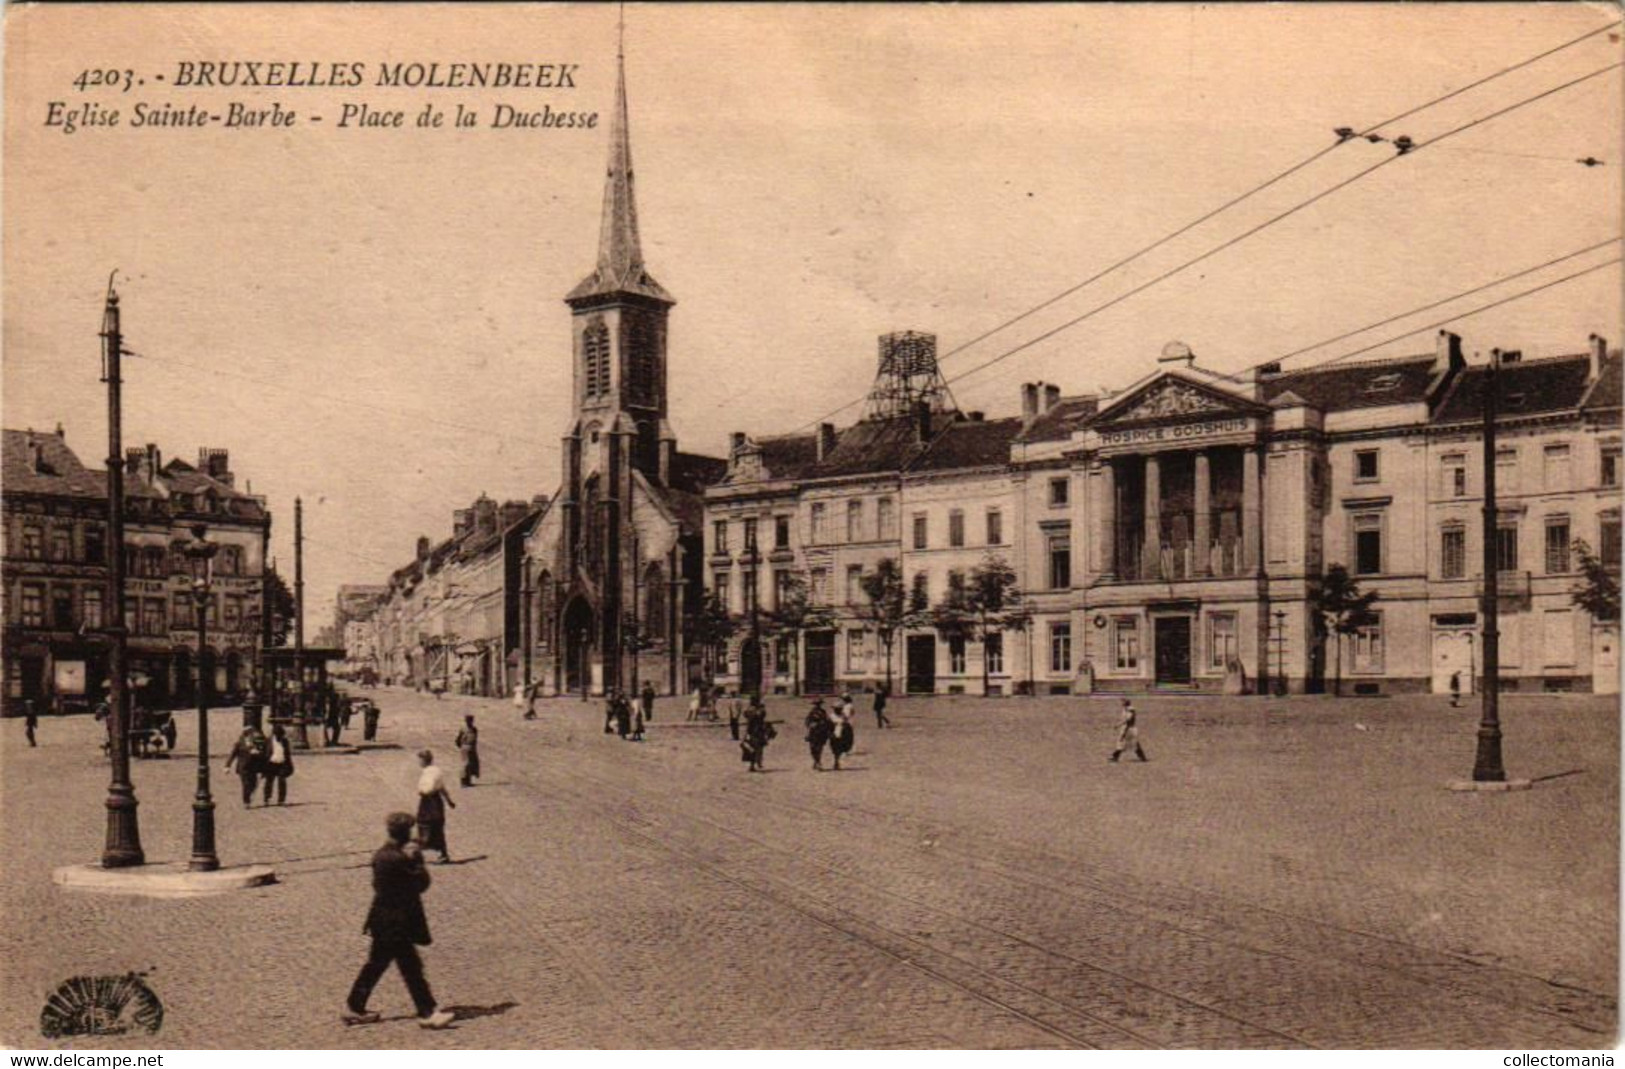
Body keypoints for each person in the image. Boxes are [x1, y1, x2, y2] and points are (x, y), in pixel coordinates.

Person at [343, 811, 456, 1030]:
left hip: (382, 920)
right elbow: (420, 884)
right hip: (396, 922)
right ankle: (427, 1012)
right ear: (405, 832)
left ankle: (354, 1007)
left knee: (377, 965)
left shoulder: (383, 854)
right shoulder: (397, 858)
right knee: (411, 968)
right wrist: (417, 861)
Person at [415, 750, 456, 864]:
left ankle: (423, 853)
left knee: (428, 825)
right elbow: (442, 788)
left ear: (424, 760)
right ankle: (442, 853)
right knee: (434, 827)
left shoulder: (430, 773)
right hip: (434, 801)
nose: (419, 762)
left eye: (420, 760)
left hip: (429, 802)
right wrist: (449, 801)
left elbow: (430, 788)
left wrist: (422, 791)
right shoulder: (435, 771)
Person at [225, 723, 269, 808]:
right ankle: (246, 801)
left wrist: (258, 753)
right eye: (249, 732)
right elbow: (233, 754)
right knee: (246, 784)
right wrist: (227, 766)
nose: (251, 734)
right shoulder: (239, 743)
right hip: (243, 767)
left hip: (253, 767)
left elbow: (263, 753)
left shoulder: (256, 742)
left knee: (253, 783)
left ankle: (249, 794)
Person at [262, 723, 295, 806]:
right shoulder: (268, 741)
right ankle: (267, 798)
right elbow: (264, 754)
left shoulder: (285, 741)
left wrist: (290, 765)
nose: (279, 738)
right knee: (269, 782)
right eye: (278, 736)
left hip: (282, 763)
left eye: (280, 736)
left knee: (282, 781)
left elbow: (287, 754)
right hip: (271, 764)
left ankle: (281, 800)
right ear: (274, 734)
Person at [741, 694, 774, 772]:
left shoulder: (750, 710)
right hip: (757, 731)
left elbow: (745, 715)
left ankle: (754, 764)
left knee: (753, 747)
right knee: (758, 747)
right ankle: (757, 762)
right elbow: (761, 716)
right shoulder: (758, 710)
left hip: (751, 731)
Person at [1110, 698, 1148, 763]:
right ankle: (1141, 756)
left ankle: (1115, 756)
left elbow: (1128, 719)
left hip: (1129, 729)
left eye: (1123, 702)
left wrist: (1119, 725)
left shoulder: (1130, 709)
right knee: (1130, 743)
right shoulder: (1125, 709)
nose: (1121, 703)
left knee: (1126, 742)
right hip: (1127, 728)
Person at [804, 698, 832, 771]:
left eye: (819, 704)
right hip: (813, 732)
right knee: (812, 748)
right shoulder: (812, 712)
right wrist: (811, 724)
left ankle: (818, 762)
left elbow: (827, 720)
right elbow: (807, 721)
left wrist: (825, 726)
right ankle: (816, 761)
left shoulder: (823, 712)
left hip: (821, 732)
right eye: (816, 704)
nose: (817, 705)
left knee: (819, 748)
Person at [829, 696, 856, 771]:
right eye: (836, 709)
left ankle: (836, 761)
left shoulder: (843, 716)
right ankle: (836, 761)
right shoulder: (831, 716)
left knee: (839, 748)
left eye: (839, 709)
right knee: (835, 749)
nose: (837, 710)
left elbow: (847, 725)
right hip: (833, 734)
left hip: (842, 734)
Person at [454, 715, 480, 787]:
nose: (469, 722)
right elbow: (458, 739)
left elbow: (475, 740)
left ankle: (468, 781)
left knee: (470, 765)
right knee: (465, 765)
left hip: (471, 748)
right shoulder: (463, 729)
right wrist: (462, 746)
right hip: (465, 748)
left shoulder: (474, 729)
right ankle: (463, 782)